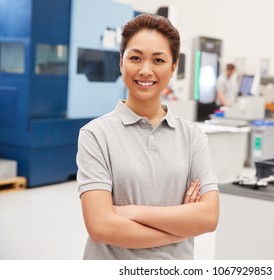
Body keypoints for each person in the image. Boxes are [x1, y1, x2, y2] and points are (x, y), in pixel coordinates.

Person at [76, 14, 219, 260]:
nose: (145, 70)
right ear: (121, 62)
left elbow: (208, 218)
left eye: (158, 60)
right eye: (135, 58)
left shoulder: (193, 137)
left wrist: (129, 212)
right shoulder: (96, 135)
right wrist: (180, 228)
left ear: (173, 66)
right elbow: (101, 227)